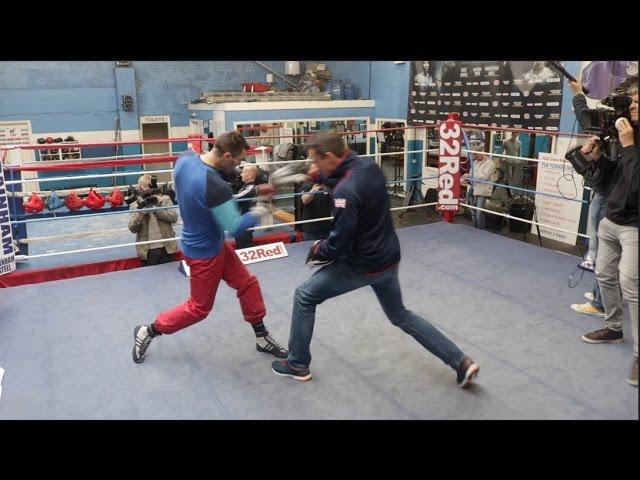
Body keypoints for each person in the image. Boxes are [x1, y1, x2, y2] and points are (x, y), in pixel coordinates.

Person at [271, 133, 480, 387]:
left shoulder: (345, 192)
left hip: (363, 264)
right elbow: (340, 175)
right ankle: (460, 362)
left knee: (304, 296)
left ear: (329, 156)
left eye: (316, 161)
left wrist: (318, 249)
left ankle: (297, 364)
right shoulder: (367, 166)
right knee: (400, 315)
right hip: (388, 257)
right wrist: (314, 174)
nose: (314, 165)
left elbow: (339, 244)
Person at [132, 131, 288, 364]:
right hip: (204, 253)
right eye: (237, 161)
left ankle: (261, 336)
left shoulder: (185, 159)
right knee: (198, 309)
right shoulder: (215, 186)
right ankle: (149, 330)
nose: (238, 166)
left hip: (210, 242)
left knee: (247, 284)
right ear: (226, 155)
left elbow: (205, 201)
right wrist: (261, 207)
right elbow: (235, 227)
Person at [579, 79, 638, 387]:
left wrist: (628, 146)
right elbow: (619, 176)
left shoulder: (631, 139)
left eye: (637, 102)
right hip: (612, 218)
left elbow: (637, 182)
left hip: (635, 225)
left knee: (631, 284)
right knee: (603, 274)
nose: (631, 106)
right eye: (631, 101)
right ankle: (614, 328)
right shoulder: (628, 131)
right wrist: (598, 159)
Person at [567, 80, 609, 317]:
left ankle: (601, 302)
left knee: (601, 248)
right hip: (609, 192)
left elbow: (588, 123)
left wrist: (578, 95)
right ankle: (603, 295)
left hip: (608, 193)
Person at [128, 174, 178, 266]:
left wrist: (157, 211)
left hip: (167, 248)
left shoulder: (165, 200)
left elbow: (174, 217)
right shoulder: (135, 205)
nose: (148, 189)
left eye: (150, 186)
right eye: (146, 186)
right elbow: (132, 229)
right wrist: (140, 214)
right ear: (139, 188)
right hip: (147, 251)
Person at [462, 150, 499, 230]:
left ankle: (480, 231)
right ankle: (476, 229)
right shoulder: (475, 162)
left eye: (476, 154)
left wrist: (470, 175)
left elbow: (484, 176)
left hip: (482, 190)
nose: (474, 157)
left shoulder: (490, 163)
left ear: (482, 153)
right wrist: (467, 179)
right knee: (473, 212)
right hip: (472, 189)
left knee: (479, 213)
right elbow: (472, 173)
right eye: (473, 155)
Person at [233, 164, 260, 249]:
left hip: (244, 224)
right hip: (242, 222)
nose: (241, 174)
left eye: (243, 172)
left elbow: (236, 197)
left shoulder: (250, 188)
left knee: (244, 248)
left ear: (250, 175)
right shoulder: (246, 186)